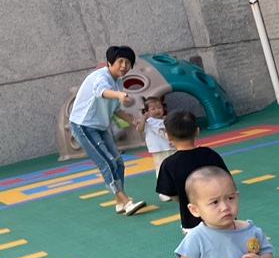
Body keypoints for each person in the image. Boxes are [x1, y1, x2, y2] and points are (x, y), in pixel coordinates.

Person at [68, 46, 145, 215]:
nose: (124, 66)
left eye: (128, 62)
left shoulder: (118, 82)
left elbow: (116, 109)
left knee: (118, 162)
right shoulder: (101, 76)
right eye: (120, 61)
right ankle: (126, 201)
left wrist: (134, 121)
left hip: (101, 126)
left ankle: (119, 202)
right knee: (107, 163)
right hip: (83, 125)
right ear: (109, 63)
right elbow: (101, 91)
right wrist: (118, 95)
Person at [154, 110, 228, 231]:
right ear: (197, 131)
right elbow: (226, 180)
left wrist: (187, 200)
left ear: (168, 136)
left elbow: (170, 193)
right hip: (222, 214)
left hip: (192, 220)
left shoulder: (169, 164)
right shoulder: (210, 154)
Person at [142, 98, 173, 200]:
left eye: (159, 107)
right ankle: (163, 192)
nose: (157, 110)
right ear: (147, 111)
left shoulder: (167, 120)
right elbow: (139, 129)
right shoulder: (148, 122)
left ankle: (174, 188)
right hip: (158, 149)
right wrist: (143, 119)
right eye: (153, 109)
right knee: (161, 169)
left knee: (173, 167)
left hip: (171, 147)